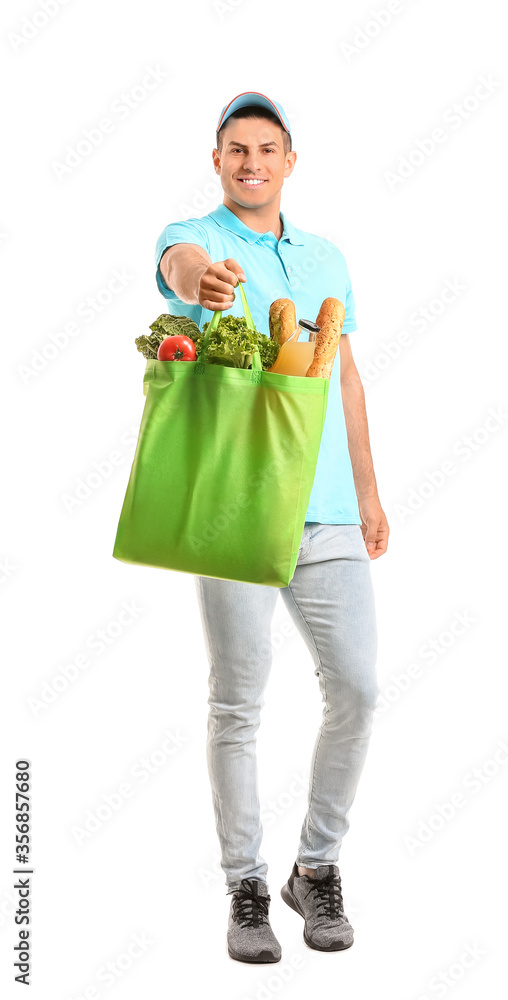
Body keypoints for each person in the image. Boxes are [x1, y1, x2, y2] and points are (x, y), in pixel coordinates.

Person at [155, 91, 389, 965]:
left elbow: (349, 379)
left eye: (267, 148)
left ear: (291, 161)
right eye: (235, 149)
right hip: (233, 504)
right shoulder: (199, 238)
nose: (251, 162)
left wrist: (367, 492)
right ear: (217, 160)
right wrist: (200, 283)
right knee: (237, 702)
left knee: (359, 689)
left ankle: (315, 866)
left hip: (326, 509)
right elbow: (180, 267)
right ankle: (246, 886)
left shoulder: (326, 256)